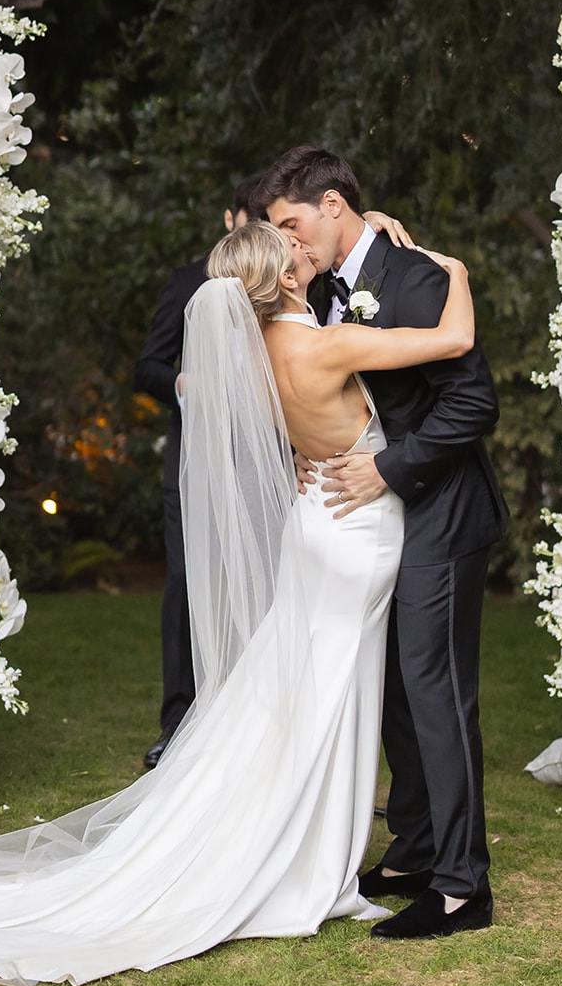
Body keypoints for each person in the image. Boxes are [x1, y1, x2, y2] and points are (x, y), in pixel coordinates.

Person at [0, 222, 475, 986]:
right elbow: (451, 338)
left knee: (303, 688)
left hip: (315, 525)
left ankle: (299, 849)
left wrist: (313, 449)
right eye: (291, 247)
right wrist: (453, 269)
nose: (304, 248)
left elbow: (294, 429)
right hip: (354, 532)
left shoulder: (256, 352)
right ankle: (302, 864)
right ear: (286, 280)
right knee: (328, 694)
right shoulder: (322, 345)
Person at [258, 146, 509, 940]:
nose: (288, 247)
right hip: (381, 518)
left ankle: (464, 889)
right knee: (397, 691)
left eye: (293, 225)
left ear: (333, 206)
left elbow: (473, 403)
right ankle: (414, 851)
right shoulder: (324, 290)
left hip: (438, 509)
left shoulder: (417, 277)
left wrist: (388, 470)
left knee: (435, 692)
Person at [134, 184, 417, 769]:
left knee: (300, 659)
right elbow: (452, 339)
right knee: (316, 663)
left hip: (313, 504)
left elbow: (273, 404)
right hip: (338, 510)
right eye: (278, 231)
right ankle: (273, 777)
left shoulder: (259, 331)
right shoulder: (304, 334)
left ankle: (260, 776)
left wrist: (297, 448)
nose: (293, 240)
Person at [134, 173, 262, 769]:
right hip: (193, 461)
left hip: (271, 465)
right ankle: (177, 720)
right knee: (188, 585)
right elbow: (150, 364)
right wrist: (184, 384)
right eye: (249, 219)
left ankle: (255, 716)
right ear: (229, 219)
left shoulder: (287, 287)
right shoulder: (189, 281)